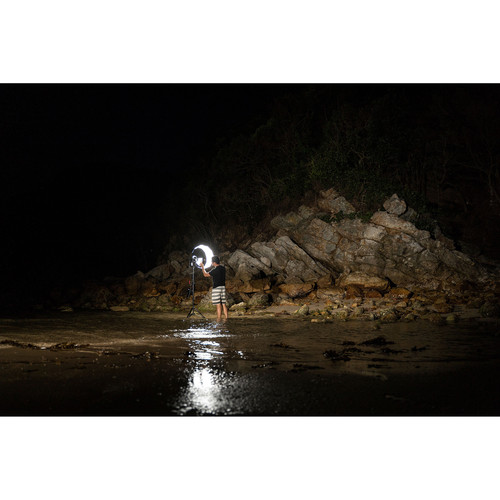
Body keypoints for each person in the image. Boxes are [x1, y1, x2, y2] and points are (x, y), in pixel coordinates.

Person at [201, 255, 228, 321]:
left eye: (212, 262)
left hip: (217, 288)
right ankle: (226, 318)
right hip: (223, 287)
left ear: (214, 262)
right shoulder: (223, 268)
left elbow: (205, 275)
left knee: (218, 305)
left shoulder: (215, 270)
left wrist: (202, 267)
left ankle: (218, 319)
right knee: (223, 304)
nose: (211, 263)